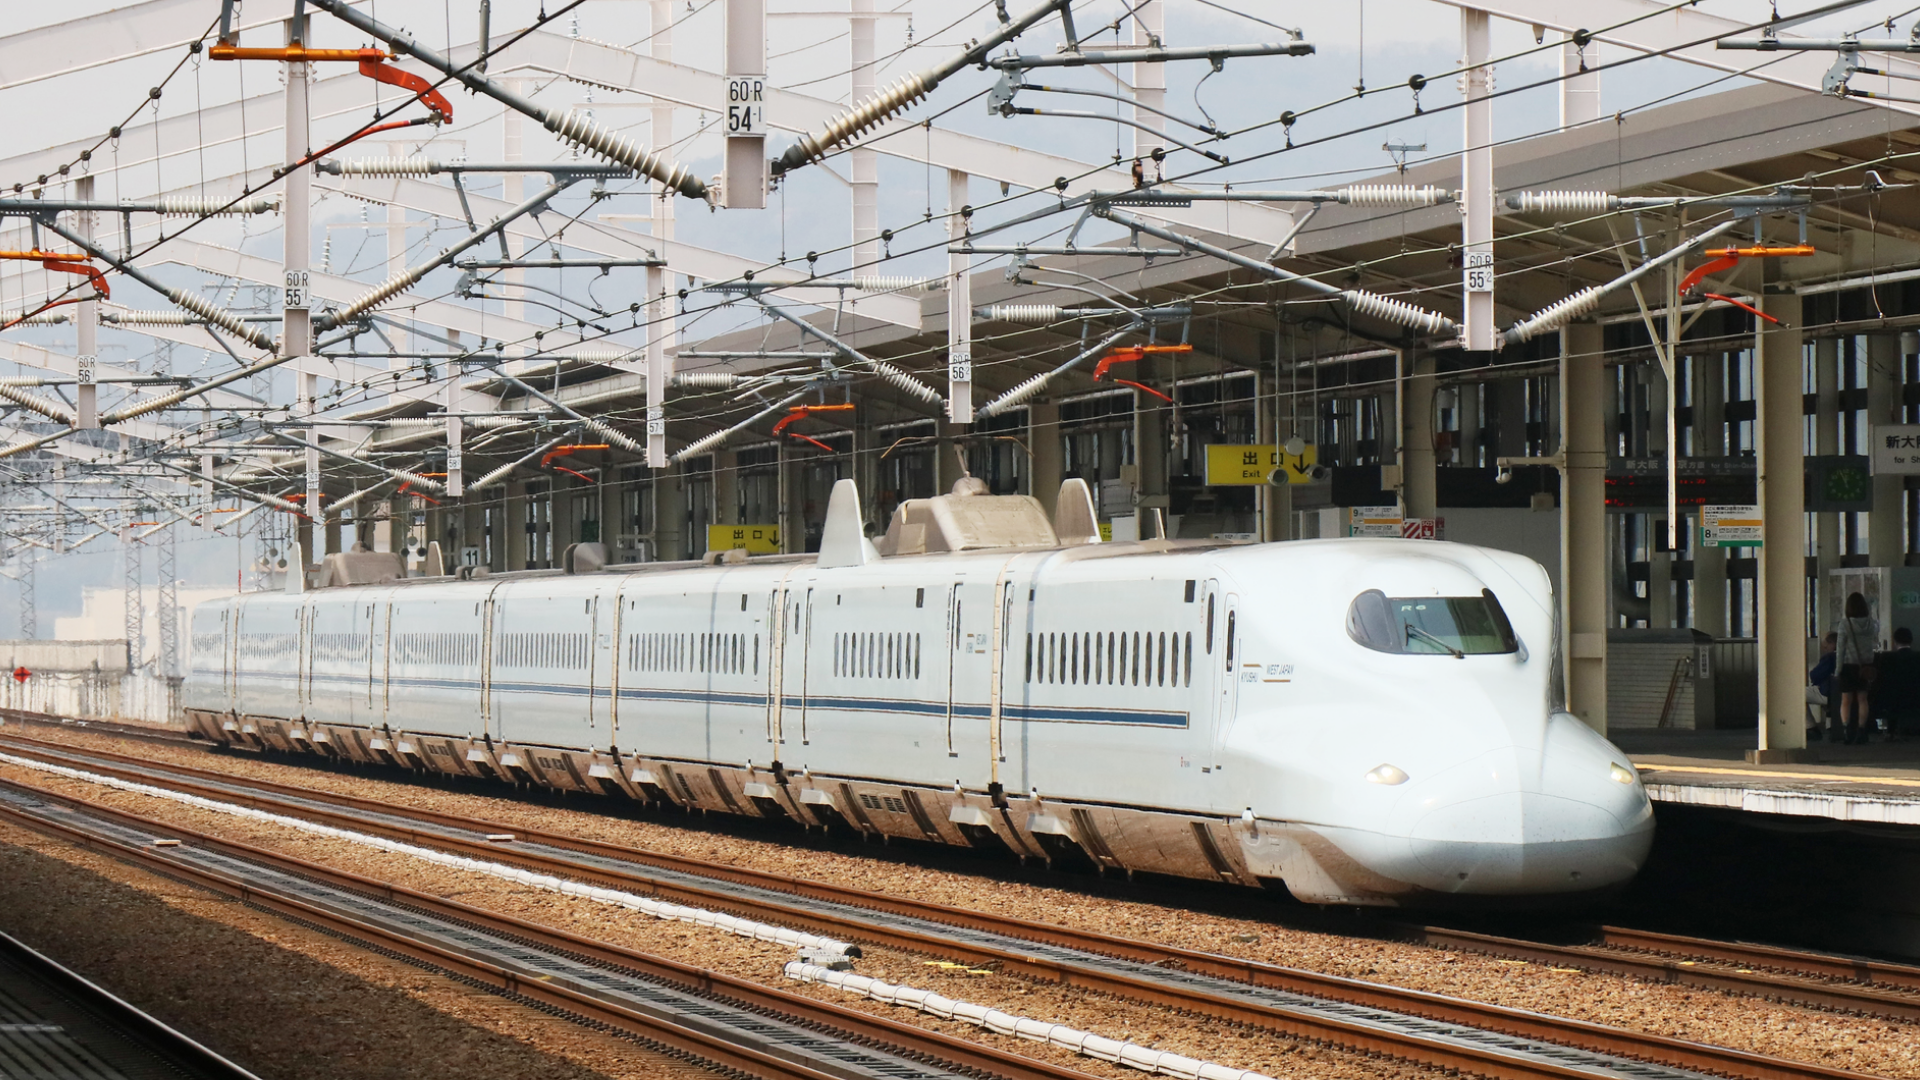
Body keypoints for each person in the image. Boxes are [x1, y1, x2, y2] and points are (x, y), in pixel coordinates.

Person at [1835, 592, 1880, 746]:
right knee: (1863, 699)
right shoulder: (1871, 623)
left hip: (1848, 665)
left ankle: (1847, 732)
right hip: (1866, 666)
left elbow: (1840, 649)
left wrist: (1837, 669)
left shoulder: (1845, 624)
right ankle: (1861, 731)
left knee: (1846, 700)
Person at [1874, 627, 1920, 740]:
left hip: (1893, 696)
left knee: (1890, 696)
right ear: (1911, 641)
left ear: (1894, 641)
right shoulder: (1918, 656)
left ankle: (1890, 731)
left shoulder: (1887, 657)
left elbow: (1881, 678)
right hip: (1915, 694)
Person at [1809, 632, 1838, 742]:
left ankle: (1810, 727)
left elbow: (1815, 674)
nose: (1825, 649)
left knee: (1797, 694)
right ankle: (1827, 726)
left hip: (1826, 691)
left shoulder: (1830, 657)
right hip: (1839, 691)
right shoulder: (1848, 655)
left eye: (1826, 647)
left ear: (1832, 644)